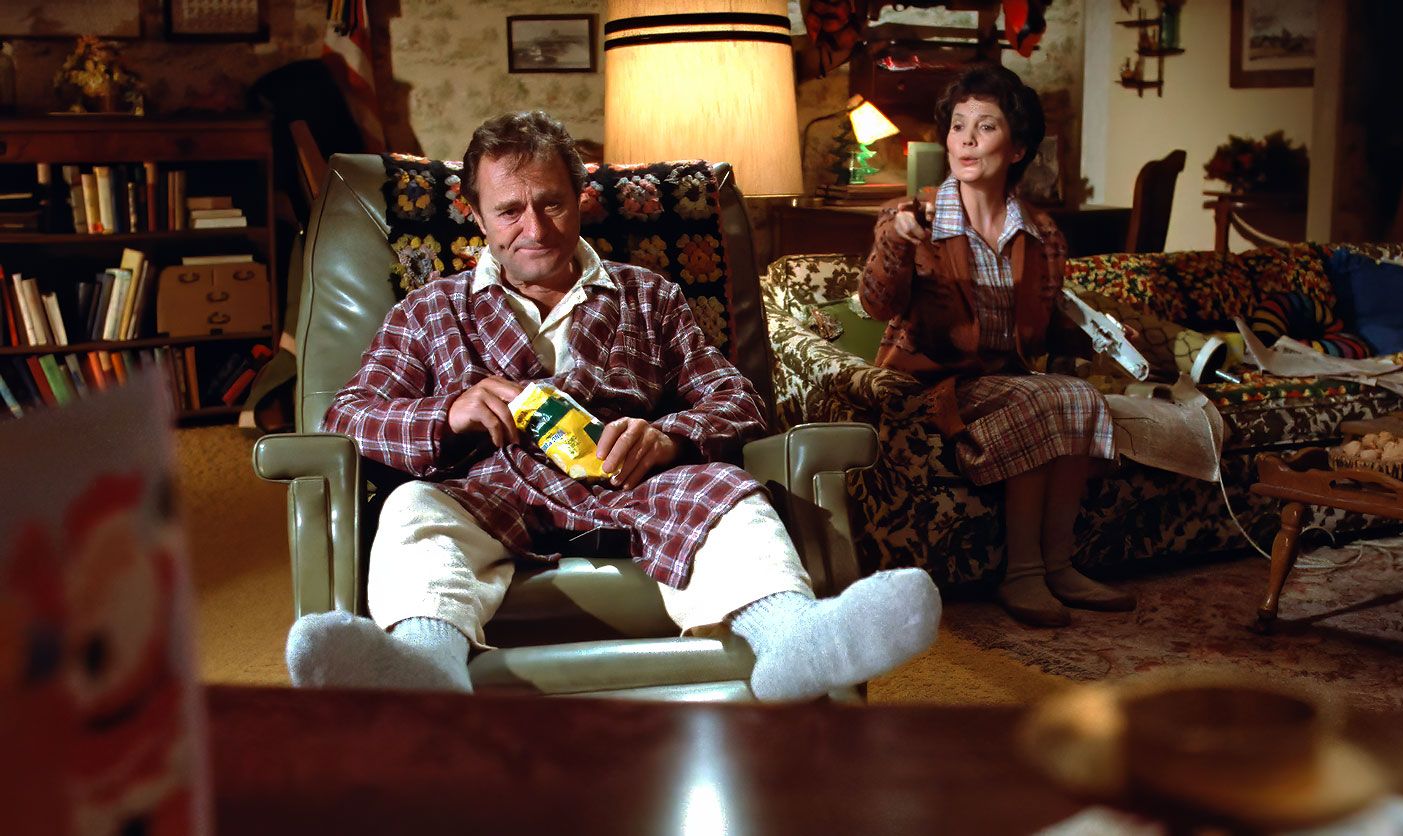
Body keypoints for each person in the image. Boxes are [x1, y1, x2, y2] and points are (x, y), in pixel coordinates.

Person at [285, 110, 940, 699]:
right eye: (509, 211)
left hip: (636, 488)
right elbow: (347, 417)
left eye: (552, 204)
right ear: (475, 214)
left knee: (731, 495)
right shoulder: (429, 309)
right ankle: (424, 665)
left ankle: (793, 639)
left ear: (580, 199)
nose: (534, 229)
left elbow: (737, 399)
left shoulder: (649, 295)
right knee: (412, 508)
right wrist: (447, 413)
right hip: (489, 492)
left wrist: (670, 436)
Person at [859, 62, 1135, 627]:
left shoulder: (1042, 234)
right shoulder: (912, 218)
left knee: (1080, 396)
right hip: (932, 383)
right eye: (958, 126)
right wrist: (897, 241)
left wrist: (1099, 338)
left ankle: (1059, 565)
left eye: (985, 127)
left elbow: (1040, 327)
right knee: (1038, 399)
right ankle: (1024, 574)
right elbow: (876, 304)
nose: (966, 139)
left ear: (1017, 148)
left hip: (1005, 379)